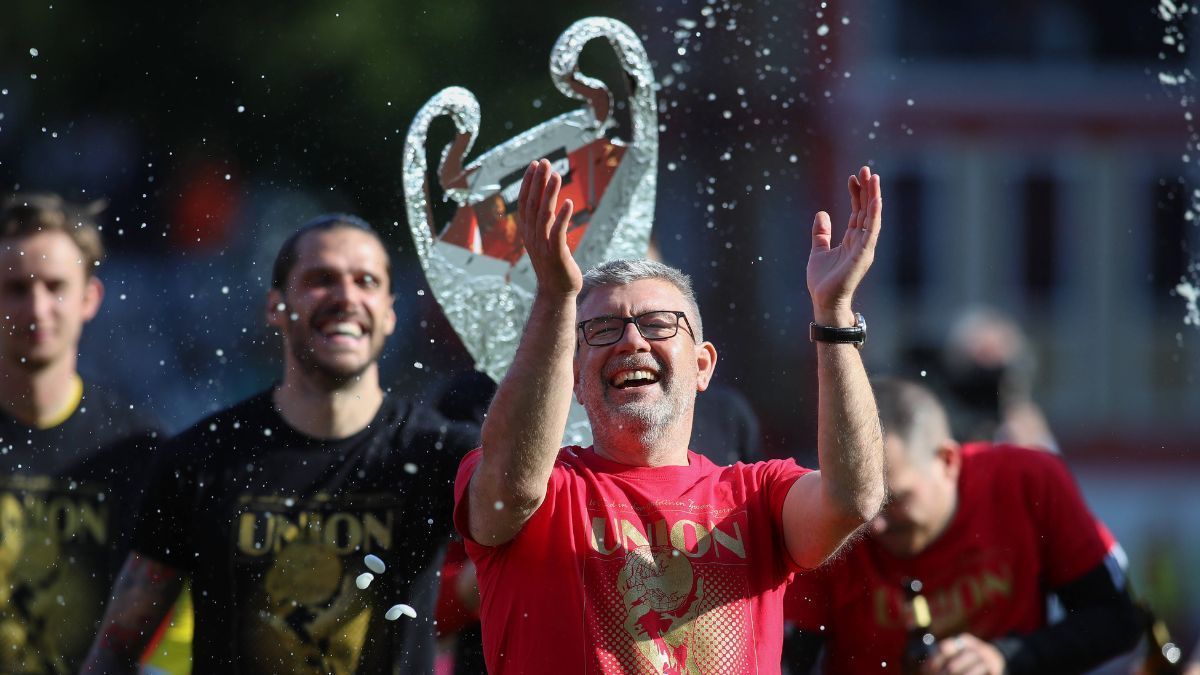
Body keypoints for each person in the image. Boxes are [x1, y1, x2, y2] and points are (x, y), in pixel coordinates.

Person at [452, 159, 887, 673]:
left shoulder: (757, 495)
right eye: (604, 330)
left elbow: (854, 498)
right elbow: (514, 489)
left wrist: (834, 315)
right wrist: (555, 298)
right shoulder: (547, 489)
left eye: (658, 324)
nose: (632, 340)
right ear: (571, 377)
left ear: (703, 365)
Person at [83, 214, 478, 673]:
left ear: (390, 313)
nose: (346, 297)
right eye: (320, 279)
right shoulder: (201, 459)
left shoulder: (437, 453)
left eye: (365, 281)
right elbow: (115, 649)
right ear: (275, 306)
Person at [784, 378, 1141, 675]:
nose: (869, 523)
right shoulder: (825, 515)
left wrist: (1005, 657)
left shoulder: (1027, 481)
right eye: (857, 500)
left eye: (892, 501)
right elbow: (785, 662)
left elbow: (1118, 622)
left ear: (947, 461)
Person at [0, 193, 160, 674]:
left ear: (89, 298)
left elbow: (170, 630)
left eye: (55, 286)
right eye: (16, 288)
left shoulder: (139, 451)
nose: (38, 307)